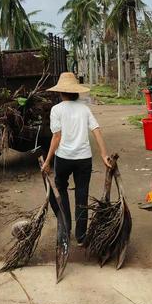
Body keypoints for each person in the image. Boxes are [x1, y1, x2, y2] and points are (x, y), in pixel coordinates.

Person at [41, 72, 110, 246]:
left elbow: (56, 137)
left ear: (61, 92)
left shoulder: (56, 110)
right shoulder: (84, 109)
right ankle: (81, 236)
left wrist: (48, 161)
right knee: (82, 194)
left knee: (60, 190)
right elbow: (96, 130)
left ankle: (65, 227)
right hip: (83, 159)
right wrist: (103, 154)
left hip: (63, 158)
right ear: (75, 92)